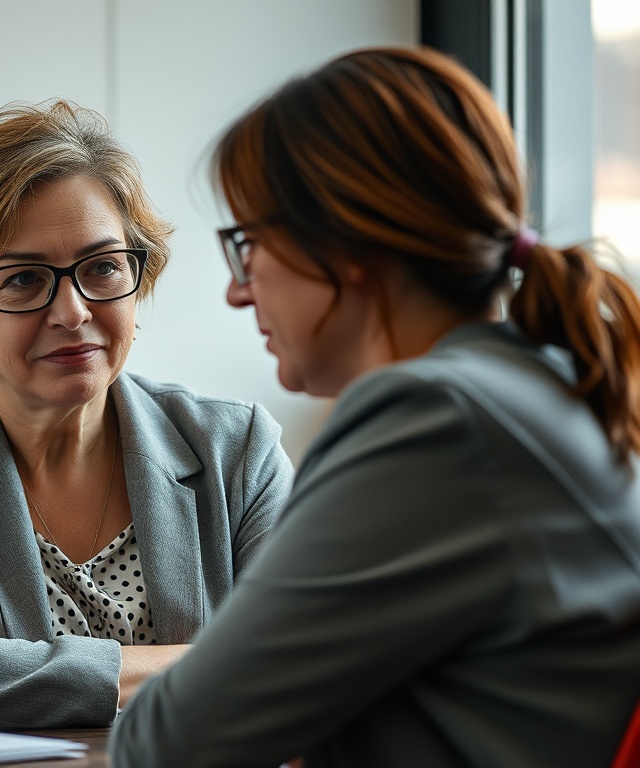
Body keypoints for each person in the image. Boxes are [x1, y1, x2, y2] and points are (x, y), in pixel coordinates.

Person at [110, 46, 640, 768]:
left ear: (340, 239)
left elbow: (171, 743)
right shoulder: (541, 384)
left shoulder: (433, 421)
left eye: (250, 245)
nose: (239, 290)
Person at [0, 99, 294, 730]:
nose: (72, 311)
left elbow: (311, 661)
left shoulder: (236, 448)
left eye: (102, 268)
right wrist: (211, 664)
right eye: (23, 279)